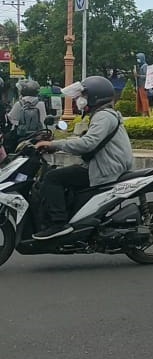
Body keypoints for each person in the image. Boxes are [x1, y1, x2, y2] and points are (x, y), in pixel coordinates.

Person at [32, 76, 134, 240]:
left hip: (105, 169)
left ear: (95, 96)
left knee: (52, 178)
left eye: (84, 96)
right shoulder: (103, 115)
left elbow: (87, 144)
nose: (80, 100)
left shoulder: (103, 116)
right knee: (61, 176)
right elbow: (84, 141)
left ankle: (58, 224)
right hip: (106, 165)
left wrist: (55, 145)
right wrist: (55, 144)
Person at [6, 79, 47, 153]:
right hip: (38, 133)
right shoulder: (41, 104)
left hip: (21, 134)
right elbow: (43, 119)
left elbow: (11, 118)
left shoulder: (19, 103)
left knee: (8, 143)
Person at [134, 52, 150, 117]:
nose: (138, 60)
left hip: (144, 85)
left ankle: (145, 112)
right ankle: (144, 112)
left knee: (144, 99)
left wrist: (138, 76)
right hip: (140, 85)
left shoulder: (145, 66)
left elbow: (147, 76)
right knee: (140, 100)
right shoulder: (140, 66)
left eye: (138, 58)